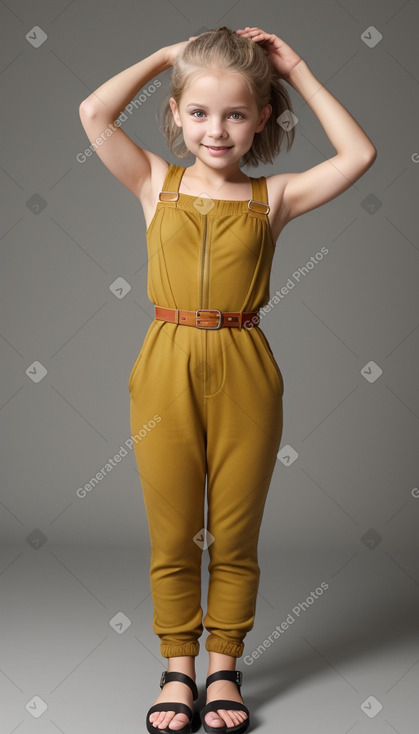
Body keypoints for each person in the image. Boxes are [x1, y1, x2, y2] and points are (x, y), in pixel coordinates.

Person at [79, 25, 376, 734]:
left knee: (235, 536)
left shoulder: (272, 198)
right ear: (176, 114)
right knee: (173, 532)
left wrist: (295, 67)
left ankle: (224, 668)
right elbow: (94, 113)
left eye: (237, 113)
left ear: (261, 119)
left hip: (245, 365)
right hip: (164, 364)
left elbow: (359, 154)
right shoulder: (155, 182)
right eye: (201, 112)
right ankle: (177, 668)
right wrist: (162, 57)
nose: (217, 129)